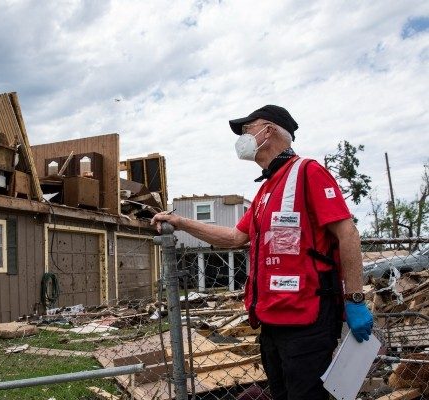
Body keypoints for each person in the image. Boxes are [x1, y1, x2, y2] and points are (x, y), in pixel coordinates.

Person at [151, 105, 373, 400]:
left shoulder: (308, 172)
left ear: (268, 131)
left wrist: (355, 299)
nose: (243, 138)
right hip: (272, 320)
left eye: (246, 130)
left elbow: (348, 233)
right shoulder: (267, 189)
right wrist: (181, 222)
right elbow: (234, 237)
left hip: (307, 319)